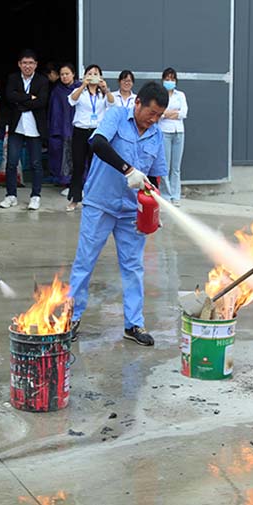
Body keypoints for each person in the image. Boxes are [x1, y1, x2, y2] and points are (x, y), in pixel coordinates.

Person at [68, 81, 168, 346]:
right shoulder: (115, 115)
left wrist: (153, 212)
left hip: (130, 211)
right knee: (85, 262)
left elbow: (154, 178)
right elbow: (98, 144)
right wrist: (127, 169)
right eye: (151, 113)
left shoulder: (156, 134)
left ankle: (133, 324)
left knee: (134, 266)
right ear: (138, 103)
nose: (154, 119)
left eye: (159, 116)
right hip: (100, 204)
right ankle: (71, 318)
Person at [0, 49, 49, 211]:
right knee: (12, 162)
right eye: (24, 63)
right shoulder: (13, 78)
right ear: (19, 64)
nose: (28, 66)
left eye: (31, 63)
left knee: (36, 163)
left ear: (36, 65)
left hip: (34, 127)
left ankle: (35, 196)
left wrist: (20, 100)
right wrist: (29, 97)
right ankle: (10, 195)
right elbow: (9, 97)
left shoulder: (42, 80)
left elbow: (41, 102)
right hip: (17, 126)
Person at [65, 63, 114, 212]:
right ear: (85, 76)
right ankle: (75, 198)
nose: (93, 76)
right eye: (90, 73)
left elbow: (112, 104)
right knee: (78, 165)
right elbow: (71, 100)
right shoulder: (80, 92)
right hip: (80, 131)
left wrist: (106, 89)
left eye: (96, 73)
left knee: (96, 166)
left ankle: (95, 197)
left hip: (97, 132)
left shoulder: (102, 93)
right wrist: (82, 86)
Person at [47, 63, 80, 192]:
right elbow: (53, 112)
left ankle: (80, 183)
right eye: (62, 74)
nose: (64, 77)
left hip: (78, 127)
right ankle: (67, 183)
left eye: (67, 74)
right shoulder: (57, 91)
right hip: (62, 127)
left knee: (79, 156)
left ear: (73, 74)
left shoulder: (80, 88)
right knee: (64, 155)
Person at [158, 67, 188, 207]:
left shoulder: (180, 95)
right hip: (164, 132)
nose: (170, 81)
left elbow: (183, 113)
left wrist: (168, 113)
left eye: (172, 79)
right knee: (165, 166)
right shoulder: (160, 95)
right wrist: (169, 113)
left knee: (176, 167)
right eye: (167, 79)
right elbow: (160, 114)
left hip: (179, 132)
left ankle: (175, 196)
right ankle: (165, 195)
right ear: (163, 80)